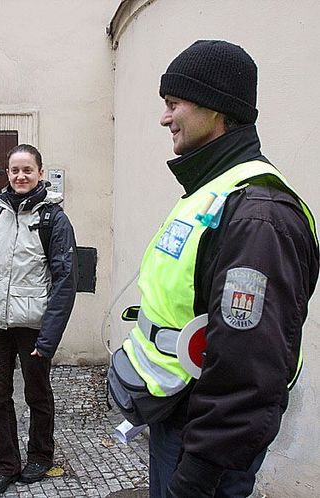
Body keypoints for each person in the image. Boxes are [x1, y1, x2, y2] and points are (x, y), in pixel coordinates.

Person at [116, 40, 319, 498]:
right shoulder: (213, 191)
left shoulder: (258, 215)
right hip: (183, 415)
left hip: (208, 444)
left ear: (216, 109)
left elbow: (251, 370)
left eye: (174, 104)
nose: (164, 118)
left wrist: (199, 475)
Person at [0, 144, 78, 497]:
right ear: (7, 174)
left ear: (40, 173)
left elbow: (65, 281)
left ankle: (40, 456)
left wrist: (48, 339)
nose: (21, 176)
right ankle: (5, 464)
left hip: (33, 326)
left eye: (28, 170)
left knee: (37, 393)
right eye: (14, 170)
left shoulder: (54, 219)